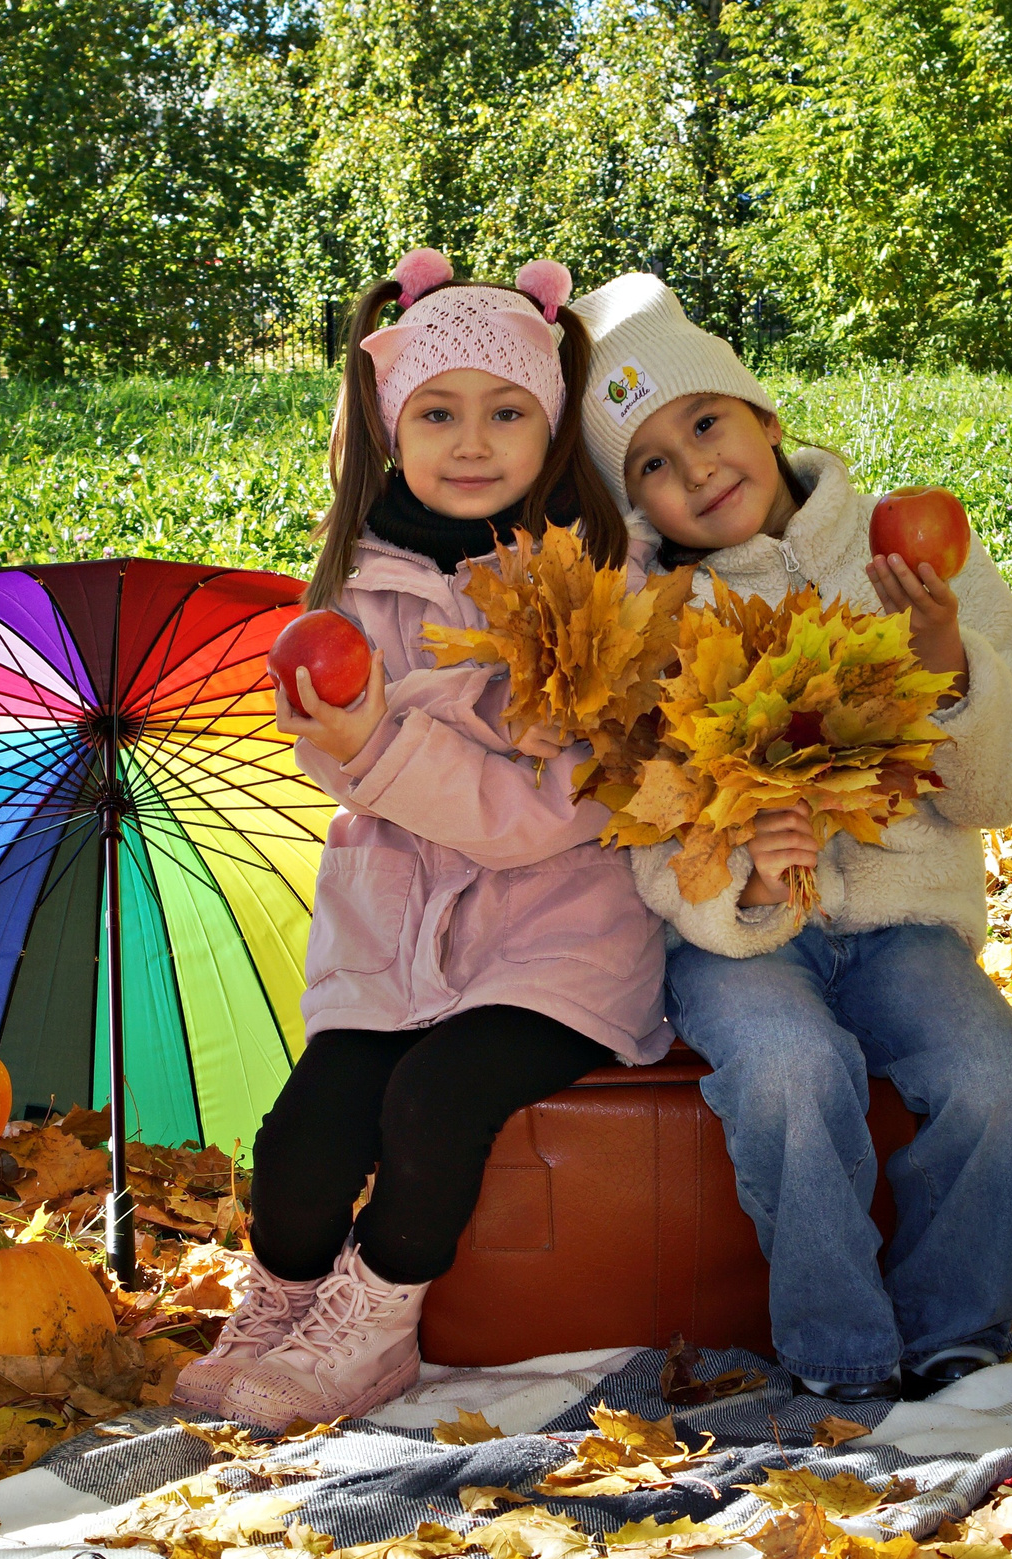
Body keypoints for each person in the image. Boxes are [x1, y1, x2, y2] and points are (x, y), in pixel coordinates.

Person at [176, 250, 667, 1429]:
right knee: (302, 1136)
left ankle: (376, 1320)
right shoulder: (352, 587)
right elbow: (328, 746)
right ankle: (286, 1299)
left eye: (508, 413)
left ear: (550, 433)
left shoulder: (605, 584)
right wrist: (352, 728)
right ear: (395, 427)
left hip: (558, 934)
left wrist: (383, 741)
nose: (471, 440)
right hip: (394, 931)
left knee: (437, 1102)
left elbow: (550, 809)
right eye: (437, 412)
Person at [572, 272, 1012, 1404]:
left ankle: (954, 1328)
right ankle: (841, 1356)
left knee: (993, 1077)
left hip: (906, 928)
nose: (696, 468)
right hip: (741, 943)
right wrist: (744, 878)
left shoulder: (912, 557)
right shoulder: (652, 616)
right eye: (651, 461)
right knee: (792, 1071)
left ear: (764, 416)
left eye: (706, 423)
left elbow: (1008, 783)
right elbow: (643, 825)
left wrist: (946, 664)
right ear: (635, 500)